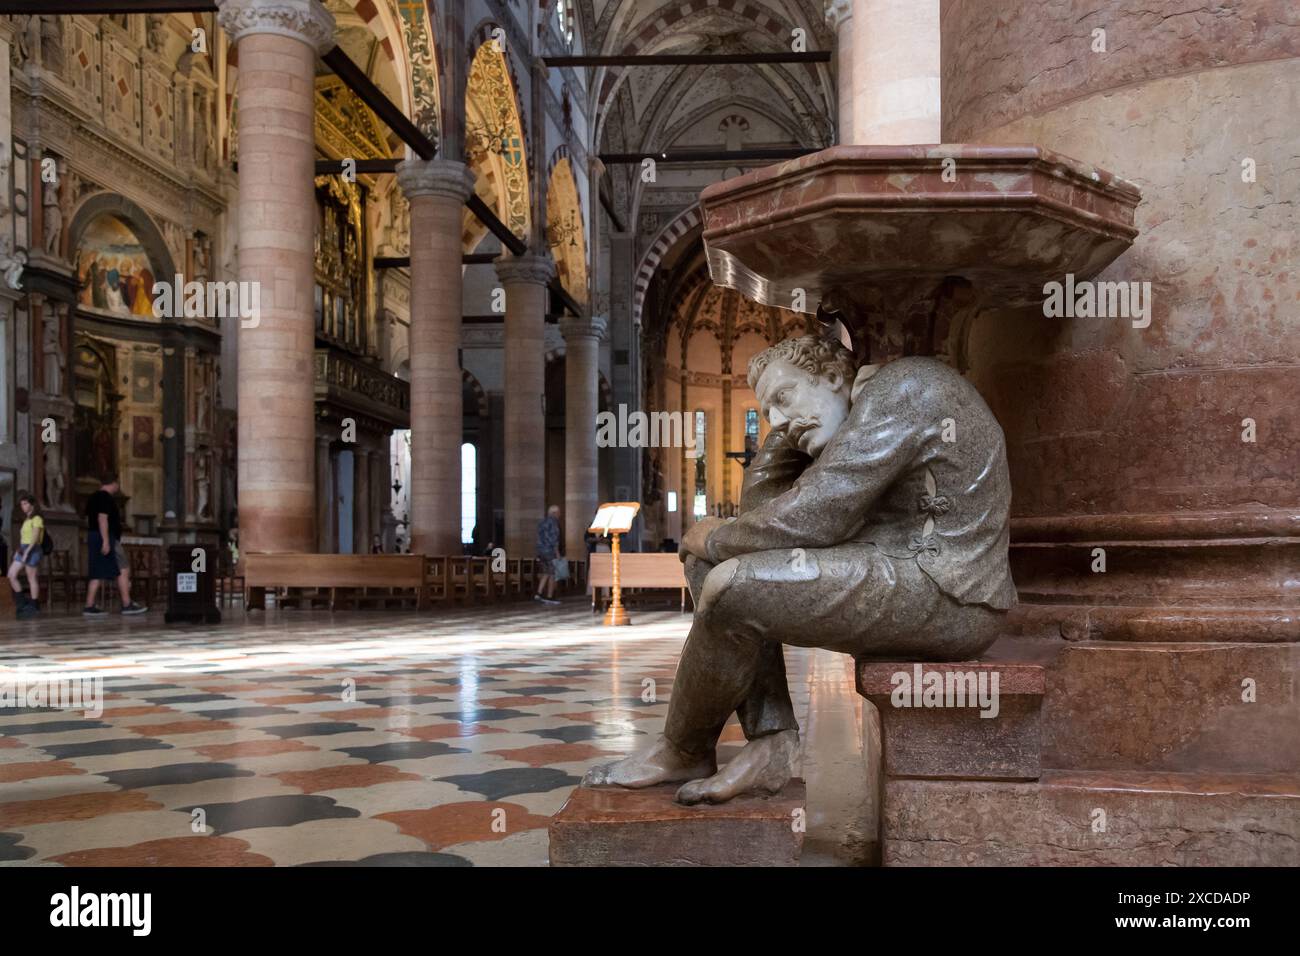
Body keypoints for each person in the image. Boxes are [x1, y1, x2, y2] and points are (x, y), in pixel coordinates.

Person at [586, 334, 1015, 804]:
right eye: (767, 412)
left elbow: (819, 514)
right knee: (710, 566)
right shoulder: (858, 405)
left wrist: (712, 534)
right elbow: (769, 512)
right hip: (901, 567)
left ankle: (683, 748)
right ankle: (769, 740)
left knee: (730, 583)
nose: (778, 422)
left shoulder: (903, 387)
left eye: (783, 399)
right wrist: (792, 423)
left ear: (832, 376)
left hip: (949, 591)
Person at [83, 475, 147, 616]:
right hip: (106, 537)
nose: (118, 486)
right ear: (113, 483)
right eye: (117, 483)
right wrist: (106, 541)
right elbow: (102, 519)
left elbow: (88, 519)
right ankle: (126, 603)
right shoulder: (105, 497)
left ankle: (89, 604)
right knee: (123, 568)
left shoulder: (93, 497)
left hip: (93, 535)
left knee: (97, 571)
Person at [7, 493, 45, 619]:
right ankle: (22, 602)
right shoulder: (27, 519)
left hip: (32, 549)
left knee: (31, 578)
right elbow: (24, 538)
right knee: (11, 575)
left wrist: (27, 552)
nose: (23, 506)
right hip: (24, 548)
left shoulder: (37, 519)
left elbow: (34, 538)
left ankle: (34, 605)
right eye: (22, 504)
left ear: (32, 504)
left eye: (25, 503)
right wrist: (19, 551)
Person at [534, 504, 562, 606]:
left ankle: (539, 593)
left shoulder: (542, 522)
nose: (560, 515)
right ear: (554, 513)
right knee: (552, 574)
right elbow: (554, 539)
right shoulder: (554, 523)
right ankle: (550, 596)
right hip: (550, 551)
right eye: (559, 512)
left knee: (545, 572)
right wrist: (557, 553)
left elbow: (539, 537)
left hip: (540, 551)